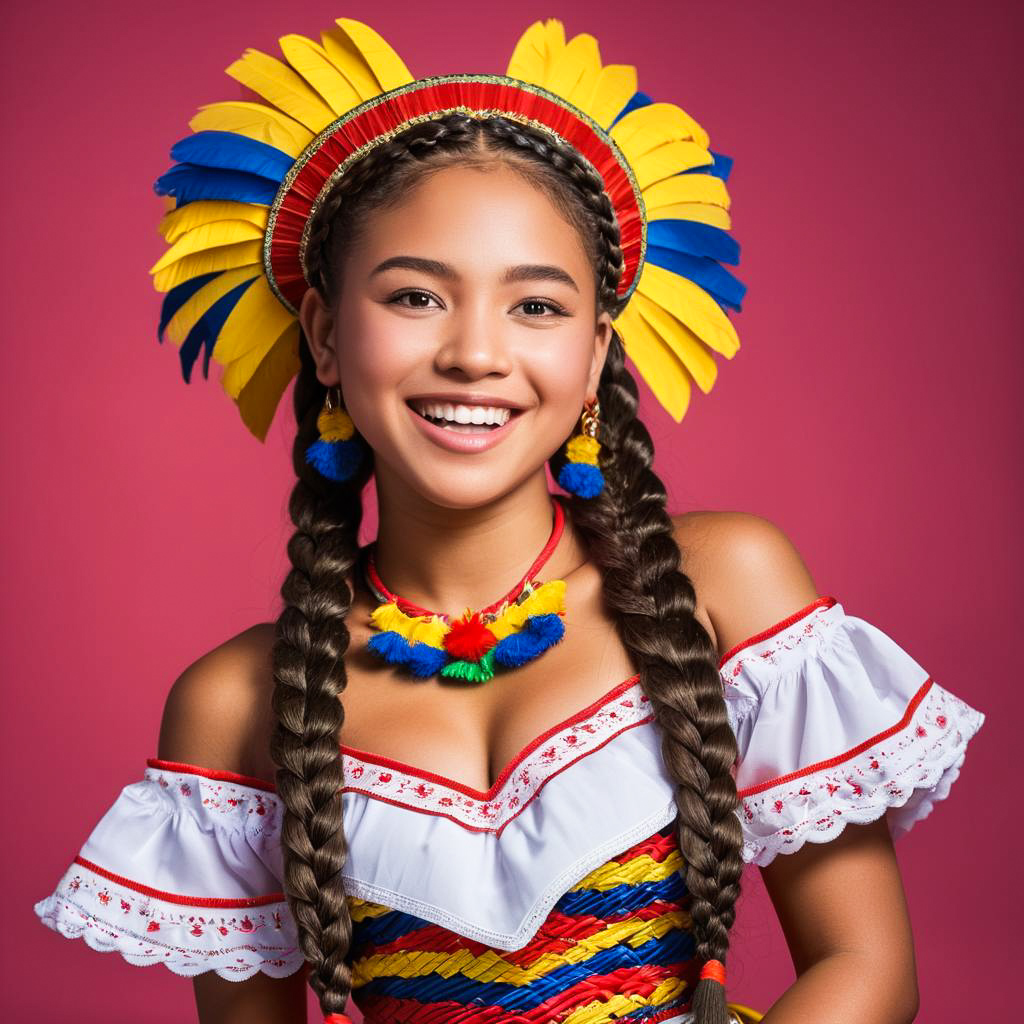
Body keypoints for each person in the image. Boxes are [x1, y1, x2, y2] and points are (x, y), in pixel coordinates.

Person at [33, 15, 985, 1024]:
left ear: (593, 352)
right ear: (322, 331)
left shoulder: (727, 583)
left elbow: (863, 966)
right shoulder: (233, 703)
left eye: (535, 306)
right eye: (414, 297)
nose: (476, 355)